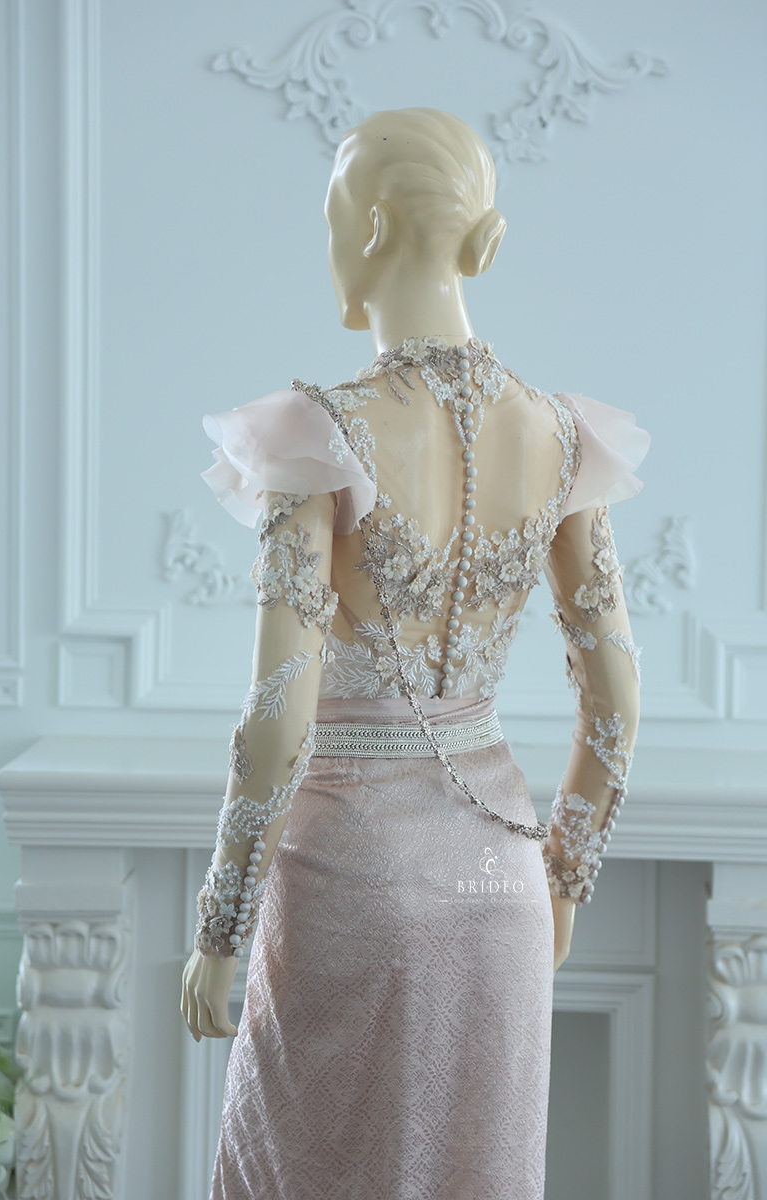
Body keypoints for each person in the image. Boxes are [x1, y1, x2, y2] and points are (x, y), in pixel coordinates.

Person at [181, 107, 649, 1200]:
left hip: (351, 881)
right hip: (502, 883)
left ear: (373, 226)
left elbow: (278, 720)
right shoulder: (560, 434)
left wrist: (221, 928)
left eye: (330, 219)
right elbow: (617, 702)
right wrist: (560, 886)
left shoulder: (317, 432)